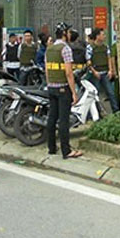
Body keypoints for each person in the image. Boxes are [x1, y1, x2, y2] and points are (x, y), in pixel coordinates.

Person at [45, 22, 82, 159]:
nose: (70, 33)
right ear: (65, 34)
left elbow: (47, 70)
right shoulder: (65, 49)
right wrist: (74, 92)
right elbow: (69, 73)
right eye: (69, 31)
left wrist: (49, 84)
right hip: (62, 88)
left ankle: (51, 148)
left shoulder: (49, 48)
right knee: (64, 120)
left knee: (52, 118)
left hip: (51, 87)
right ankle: (66, 151)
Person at [86, 28, 119, 113]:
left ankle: (116, 111)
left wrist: (110, 70)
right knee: (95, 94)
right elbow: (89, 62)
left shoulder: (105, 47)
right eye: (102, 34)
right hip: (95, 73)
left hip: (105, 73)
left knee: (111, 93)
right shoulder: (90, 48)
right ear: (97, 36)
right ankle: (95, 112)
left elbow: (108, 59)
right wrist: (94, 72)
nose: (104, 36)